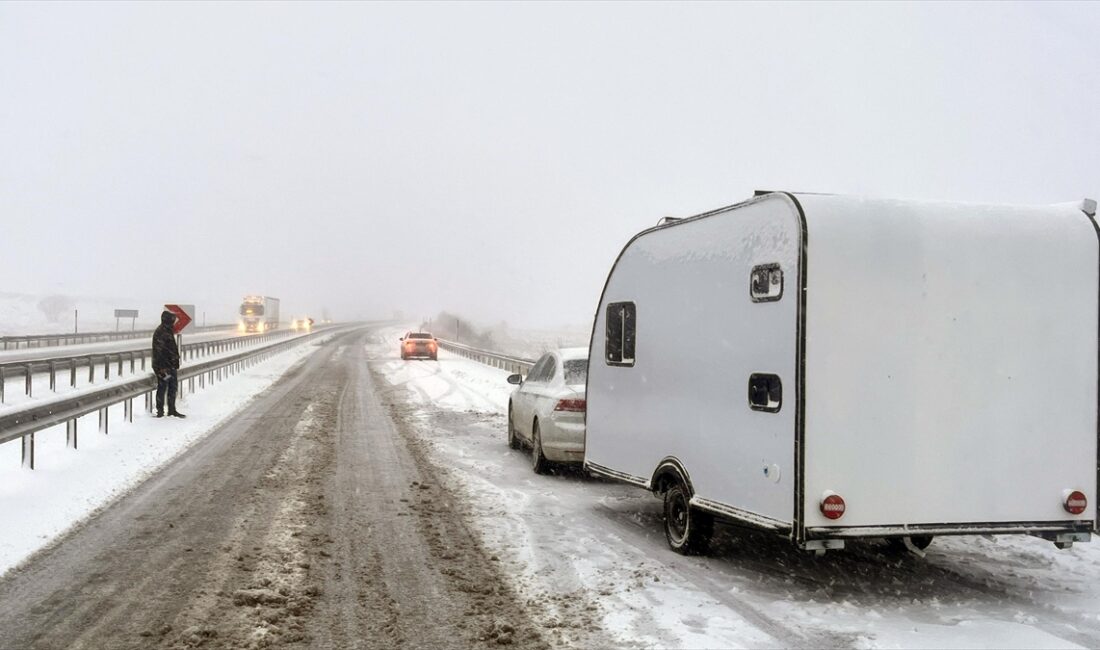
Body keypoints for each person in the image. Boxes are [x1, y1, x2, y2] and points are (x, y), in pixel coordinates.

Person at [152, 310, 185, 418]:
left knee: (172, 387)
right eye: (172, 320)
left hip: (170, 366)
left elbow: (171, 348)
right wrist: (161, 368)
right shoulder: (161, 332)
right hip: (163, 367)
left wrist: (175, 361)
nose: (174, 322)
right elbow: (159, 352)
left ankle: (172, 410)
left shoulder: (167, 330)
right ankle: (160, 411)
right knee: (162, 388)